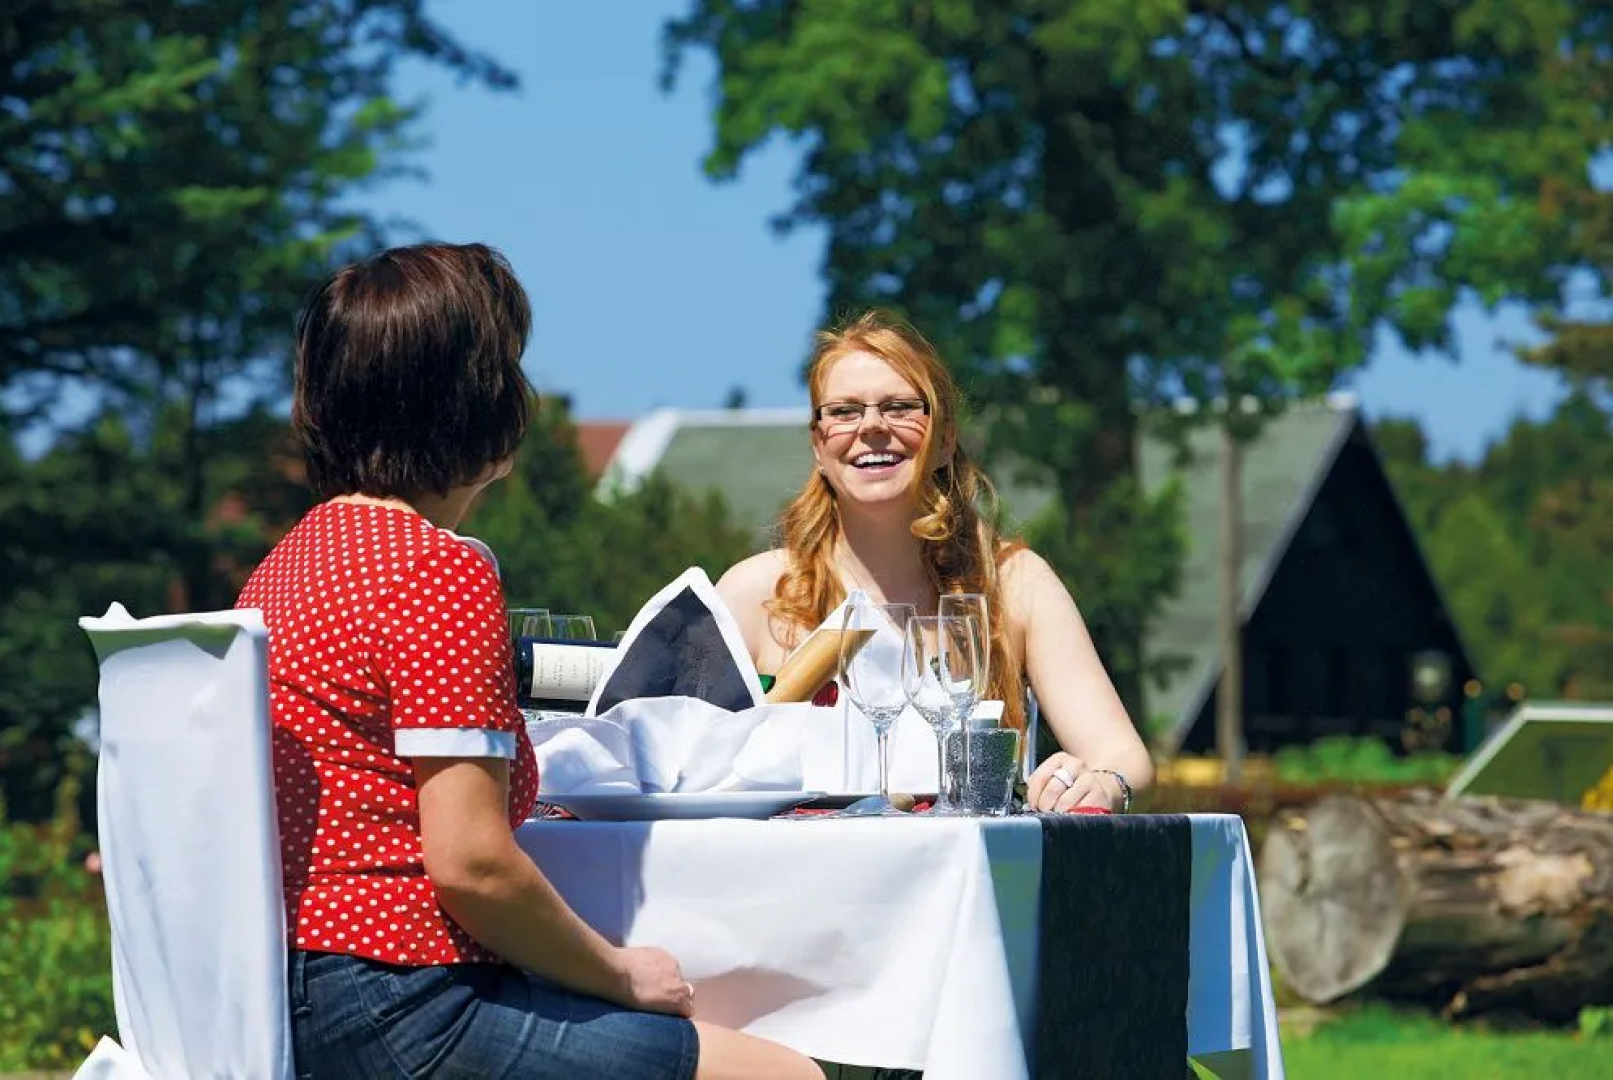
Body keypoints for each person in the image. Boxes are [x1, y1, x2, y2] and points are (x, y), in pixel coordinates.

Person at [238, 242, 822, 1080]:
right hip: (403, 1005)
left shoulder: (285, 564)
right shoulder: (436, 568)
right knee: (783, 1074)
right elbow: (471, 863)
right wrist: (618, 971)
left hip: (290, 991)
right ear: (473, 402)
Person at [717, 311, 1153, 814]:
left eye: (901, 407)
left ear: (945, 439)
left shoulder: (1013, 583)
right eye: (844, 412)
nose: (872, 427)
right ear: (819, 446)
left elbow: (1123, 755)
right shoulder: (757, 594)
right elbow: (682, 771)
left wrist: (1101, 783)